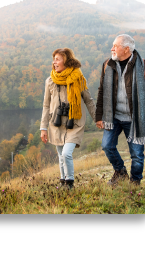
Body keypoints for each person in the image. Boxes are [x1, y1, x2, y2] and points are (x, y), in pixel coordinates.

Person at [95, 34, 145, 186]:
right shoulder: (107, 65)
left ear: (126, 49)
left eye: (115, 46)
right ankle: (120, 172)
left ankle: (135, 182)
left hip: (135, 119)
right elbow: (101, 91)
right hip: (114, 116)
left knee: (137, 155)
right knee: (107, 146)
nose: (112, 48)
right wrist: (99, 115)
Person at [40, 48, 96, 189]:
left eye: (58, 59)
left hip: (74, 122)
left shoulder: (78, 79)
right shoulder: (50, 81)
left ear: (66, 61)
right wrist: (43, 127)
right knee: (60, 155)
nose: (54, 62)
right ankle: (63, 181)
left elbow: (89, 100)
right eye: (54, 59)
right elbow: (46, 105)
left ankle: (70, 183)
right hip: (56, 123)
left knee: (66, 153)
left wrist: (97, 119)